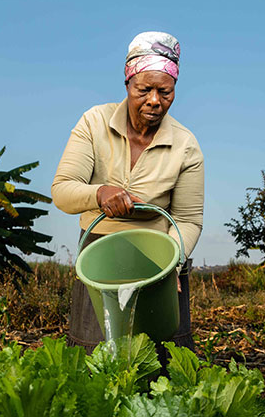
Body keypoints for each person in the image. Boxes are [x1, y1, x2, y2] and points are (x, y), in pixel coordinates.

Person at [52, 31, 204, 355]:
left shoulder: (186, 145)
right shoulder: (94, 123)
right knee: (97, 357)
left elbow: (188, 219)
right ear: (127, 83)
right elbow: (62, 190)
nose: (154, 100)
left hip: (160, 257)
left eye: (165, 91)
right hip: (100, 255)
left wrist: (172, 266)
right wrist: (99, 194)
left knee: (160, 357)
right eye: (144, 89)